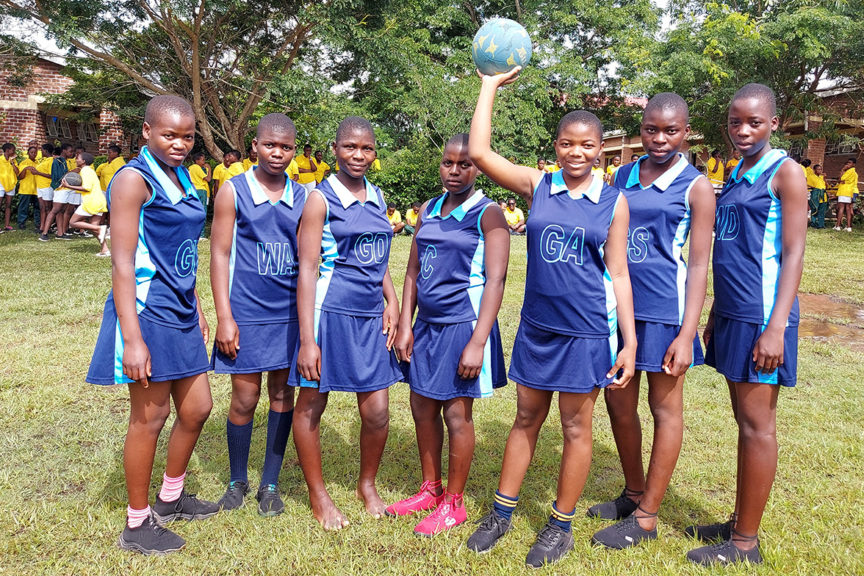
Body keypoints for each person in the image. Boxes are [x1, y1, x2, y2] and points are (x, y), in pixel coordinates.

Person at [465, 67, 636, 568]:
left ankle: (560, 525)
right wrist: (489, 86)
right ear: (556, 146)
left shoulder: (613, 201)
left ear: (600, 150)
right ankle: (501, 513)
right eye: (566, 144)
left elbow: (620, 275)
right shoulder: (540, 185)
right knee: (525, 418)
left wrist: (628, 342)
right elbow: (480, 153)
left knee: (576, 428)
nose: (575, 153)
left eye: (586, 146)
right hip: (537, 326)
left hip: (585, 331)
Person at [86, 95, 219, 555]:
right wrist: (133, 339)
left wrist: (197, 302)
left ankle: (171, 497)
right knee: (151, 416)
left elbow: (182, 251)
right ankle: (137, 523)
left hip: (180, 309)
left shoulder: (183, 175)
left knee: (198, 407)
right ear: (146, 132)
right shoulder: (131, 180)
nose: (180, 144)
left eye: (187, 136)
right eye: (169, 135)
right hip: (146, 311)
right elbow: (122, 262)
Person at [587, 93, 715, 549]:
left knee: (664, 411)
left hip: (664, 314)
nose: (660, 139)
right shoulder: (621, 176)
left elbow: (699, 264)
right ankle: (633, 491)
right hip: (618, 310)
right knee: (619, 404)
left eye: (671, 131)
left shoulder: (696, 186)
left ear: (686, 131)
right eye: (651, 130)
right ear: (640, 128)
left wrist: (686, 333)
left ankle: (647, 516)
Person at [687, 83, 806, 566]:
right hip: (734, 313)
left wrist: (776, 327)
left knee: (758, 426)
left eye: (754, 122)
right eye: (735, 122)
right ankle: (740, 520)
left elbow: (795, 252)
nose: (743, 130)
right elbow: (733, 249)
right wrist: (716, 310)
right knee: (744, 423)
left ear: (774, 123)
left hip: (763, 319)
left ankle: (745, 545)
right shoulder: (736, 172)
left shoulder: (787, 173)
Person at [389, 133, 509, 536]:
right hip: (425, 326)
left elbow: (496, 281)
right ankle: (431, 489)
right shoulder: (428, 208)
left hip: (463, 326)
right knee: (421, 406)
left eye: (464, 164)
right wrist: (406, 322)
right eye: (448, 163)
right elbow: (411, 271)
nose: (455, 171)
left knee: (456, 413)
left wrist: (478, 342)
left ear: (478, 168)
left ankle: (454, 504)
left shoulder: (487, 213)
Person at [293, 116, 403, 531]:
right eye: (350, 147)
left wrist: (391, 300)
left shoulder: (376, 195)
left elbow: (377, 257)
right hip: (329, 315)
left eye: (367, 148)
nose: (359, 155)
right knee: (311, 405)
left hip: (371, 317)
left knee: (376, 411)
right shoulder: (319, 199)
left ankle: (366, 484)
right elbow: (307, 270)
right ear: (335, 149)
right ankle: (319, 496)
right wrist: (307, 339)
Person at [210, 114, 305, 517]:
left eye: (285, 147)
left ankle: (270, 482)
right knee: (244, 398)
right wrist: (225, 316)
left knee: (283, 395)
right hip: (246, 313)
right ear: (254, 145)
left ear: (294, 151)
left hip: (288, 315)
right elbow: (219, 253)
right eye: (270, 145)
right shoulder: (233, 190)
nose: (277, 153)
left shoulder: (304, 196)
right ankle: (237, 480)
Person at [64, 152, 110, 256]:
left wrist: (68, 186)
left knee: (73, 222)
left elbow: (87, 188)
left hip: (91, 202)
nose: (76, 160)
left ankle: (100, 228)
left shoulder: (85, 171)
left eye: (78, 158)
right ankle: (105, 250)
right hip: (99, 201)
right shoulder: (89, 171)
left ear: (83, 161)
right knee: (94, 228)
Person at [40, 144, 72, 240]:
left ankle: (60, 233)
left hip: (65, 189)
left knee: (61, 211)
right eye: (70, 151)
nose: (72, 153)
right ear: (64, 151)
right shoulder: (57, 161)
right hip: (59, 189)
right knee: (55, 210)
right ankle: (44, 233)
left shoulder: (64, 161)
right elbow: (57, 178)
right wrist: (70, 173)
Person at [16, 146, 40, 231]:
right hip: (26, 189)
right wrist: (26, 169)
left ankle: (38, 223)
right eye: (32, 152)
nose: (34, 154)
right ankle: (21, 223)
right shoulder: (24, 163)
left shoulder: (38, 163)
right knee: (23, 207)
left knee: (38, 207)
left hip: (36, 189)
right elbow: (20, 177)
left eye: (35, 152)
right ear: (28, 153)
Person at [34, 143, 55, 232]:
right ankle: (42, 227)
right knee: (42, 208)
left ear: (46, 151)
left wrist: (37, 173)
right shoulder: (44, 160)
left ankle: (48, 227)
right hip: (40, 186)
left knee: (48, 208)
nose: (40, 151)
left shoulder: (51, 161)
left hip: (47, 186)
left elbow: (52, 175)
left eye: (41, 150)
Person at [0, 143, 19, 231]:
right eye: (13, 150)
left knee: (8, 205)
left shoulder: (14, 161)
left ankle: (7, 225)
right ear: (7, 150)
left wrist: (12, 163)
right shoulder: (0, 160)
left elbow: (17, 172)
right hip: (1, 184)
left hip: (11, 184)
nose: (14, 151)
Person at [834, 158, 857, 231]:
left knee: (841, 208)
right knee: (847, 209)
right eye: (847, 163)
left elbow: (840, 179)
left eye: (849, 163)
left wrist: (842, 170)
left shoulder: (849, 171)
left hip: (844, 191)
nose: (847, 164)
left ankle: (838, 226)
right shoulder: (854, 172)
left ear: (853, 164)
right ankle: (849, 227)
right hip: (849, 191)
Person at [808, 164, 827, 229]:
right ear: (814, 170)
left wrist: (824, 178)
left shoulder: (822, 177)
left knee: (822, 209)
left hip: (823, 194)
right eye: (818, 169)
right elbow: (808, 184)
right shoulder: (811, 176)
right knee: (815, 208)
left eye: (821, 169)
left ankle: (821, 224)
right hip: (815, 194)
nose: (820, 171)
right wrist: (815, 189)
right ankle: (813, 223)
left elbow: (826, 186)